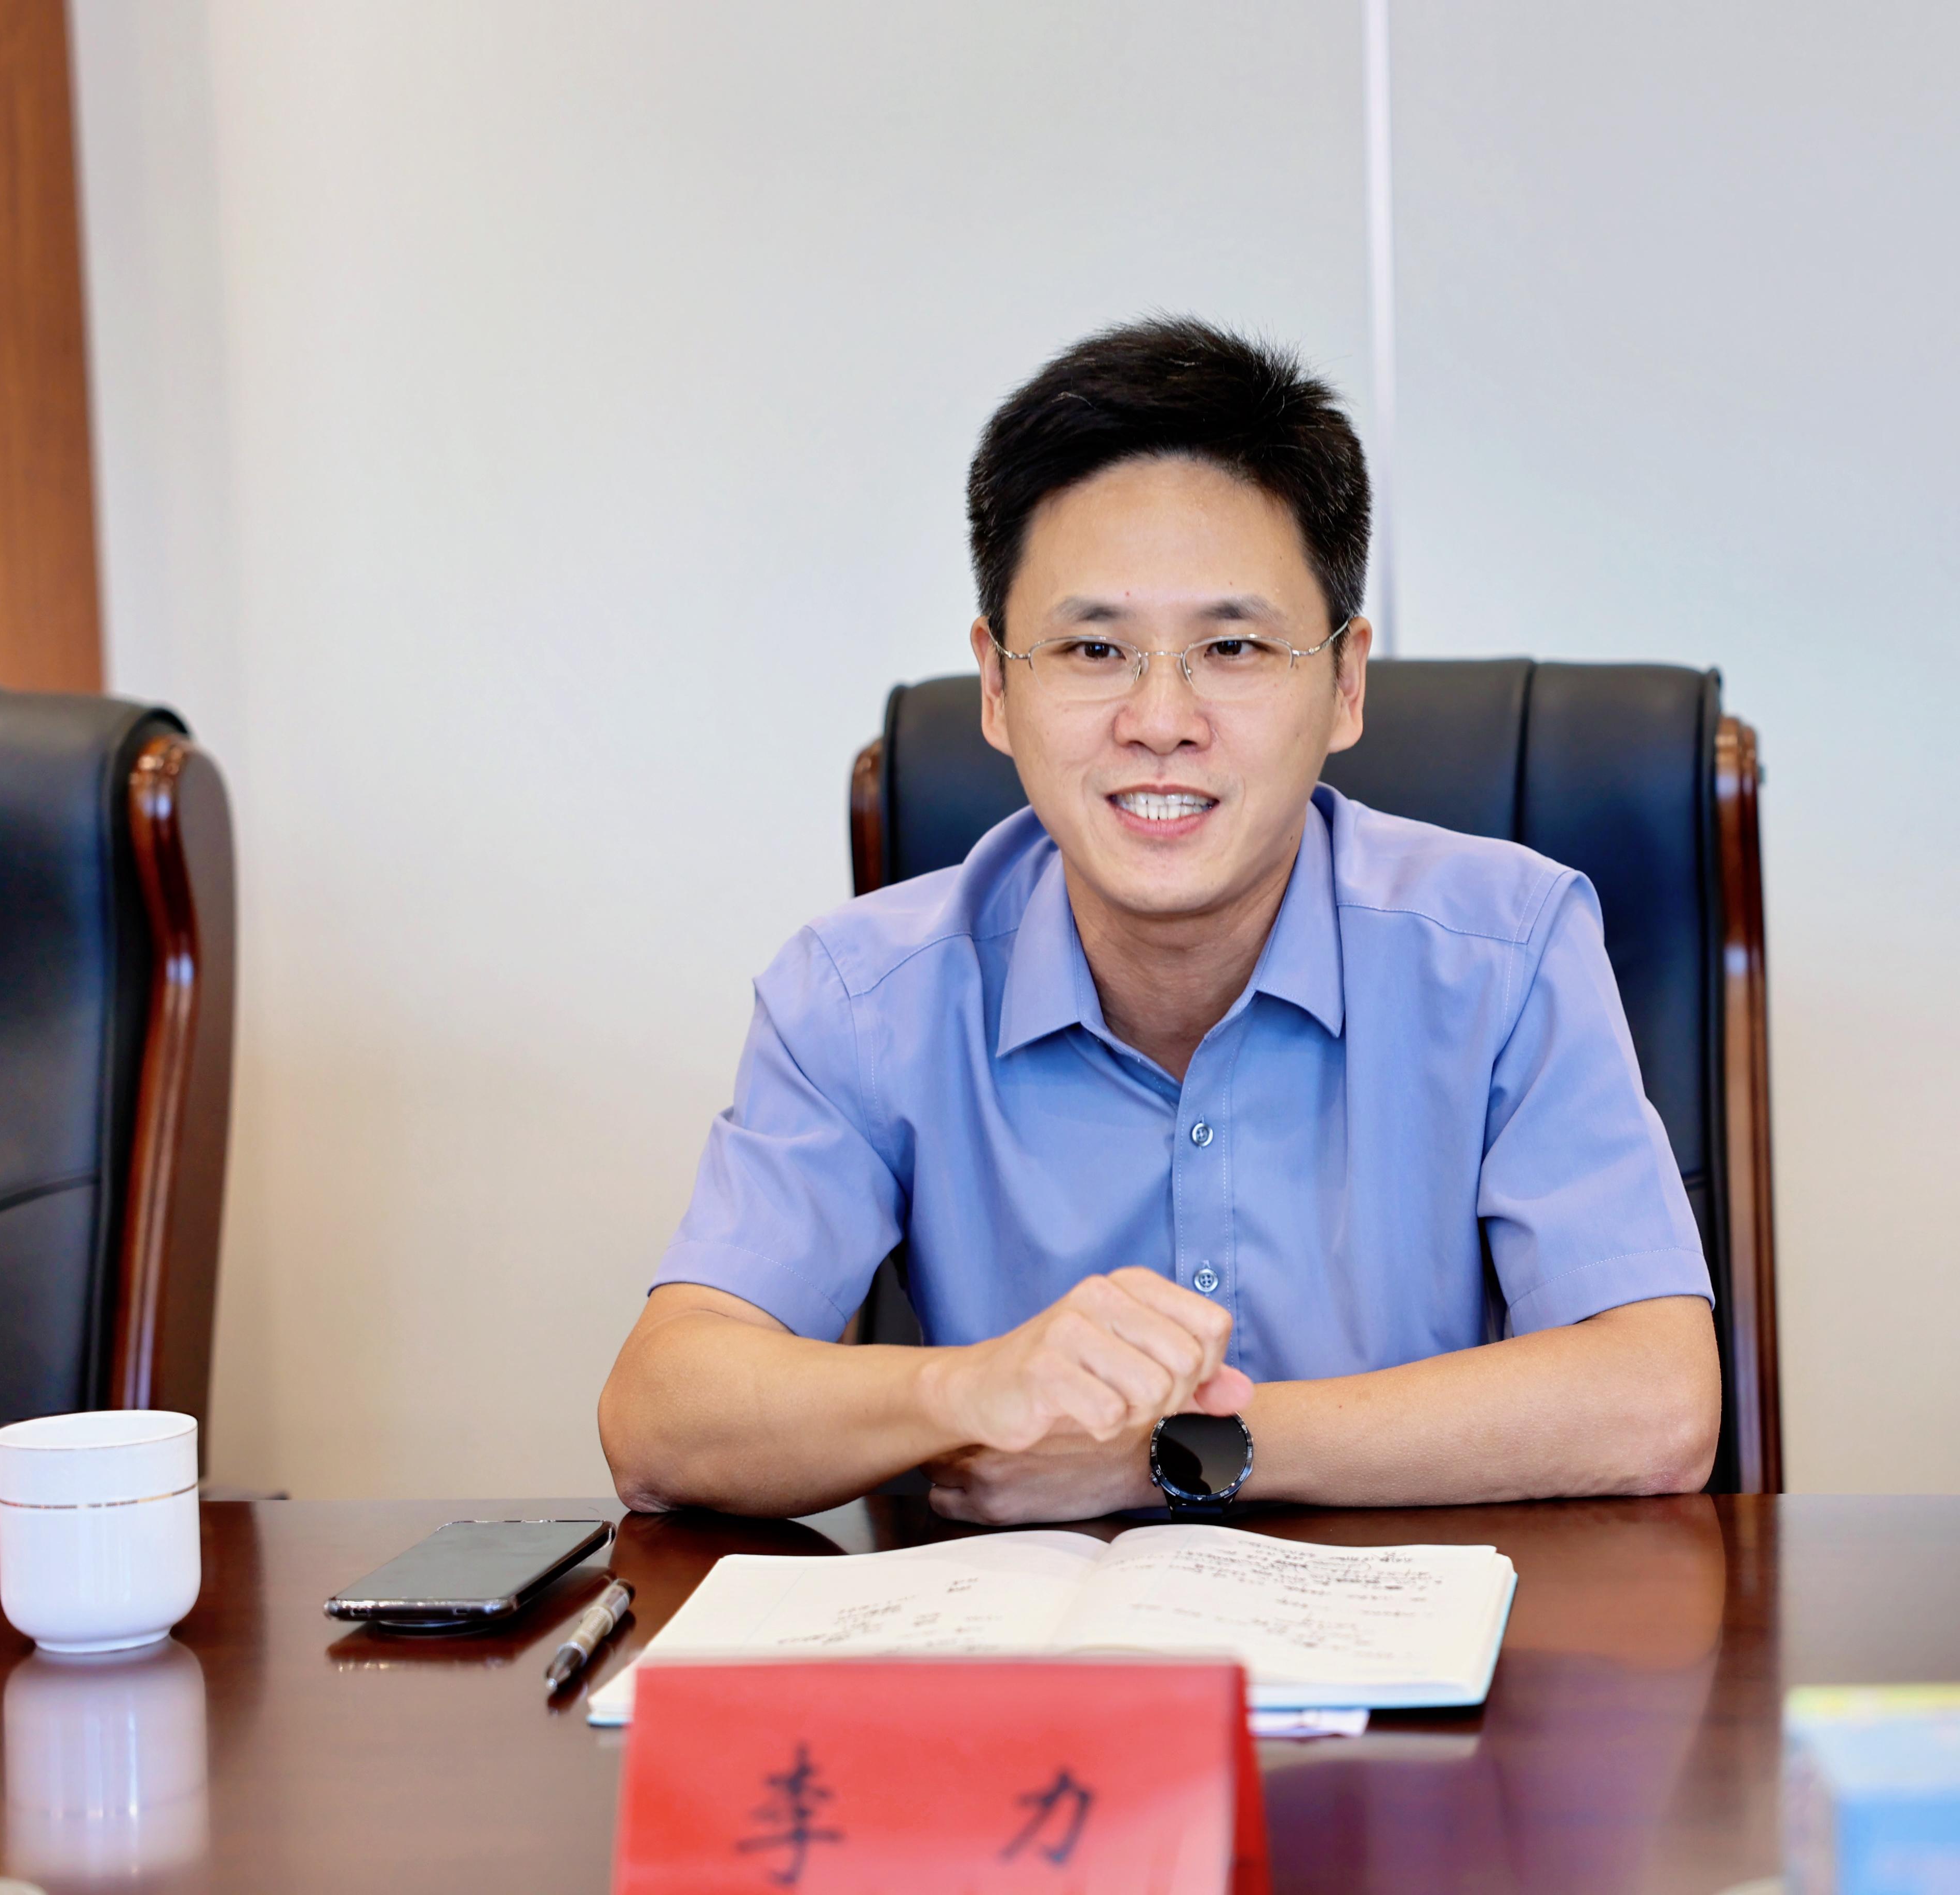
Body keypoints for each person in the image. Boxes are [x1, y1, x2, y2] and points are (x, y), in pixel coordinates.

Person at [598, 317, 1719, 1523]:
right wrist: (973, 1392)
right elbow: (662, 1420)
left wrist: (1180, 1451)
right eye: (1095, 648)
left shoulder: (1506, 952)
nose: (1161, 720)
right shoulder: (862, 995)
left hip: (1418, 1642)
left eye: (1232, 646)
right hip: (1030, 1644)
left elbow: (1658, 1404)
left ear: (1346, 683)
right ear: (997, 685)